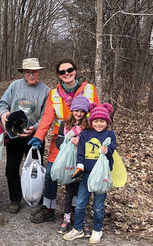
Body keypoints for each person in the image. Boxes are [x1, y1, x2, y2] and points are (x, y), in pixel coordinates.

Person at [28, 58, 99, 232]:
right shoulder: (54, 94)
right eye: (62, 72)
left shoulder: (89, 90)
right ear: (58, 75)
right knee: (51, 173)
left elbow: (97, 114)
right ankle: (49, 207)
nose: (67, 74)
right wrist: (38, 136)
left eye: (70, 70)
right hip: (60, 138)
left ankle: (75, 210)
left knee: (77, 176)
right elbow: (47, 117)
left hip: (83, 140)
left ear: (75, 70)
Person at [0, 57, 50, 213]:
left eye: (34, 72)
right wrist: (3, 114)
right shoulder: (15, 86)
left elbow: (47, 115)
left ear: (38, 72)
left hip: (34, 136)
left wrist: (35, 128)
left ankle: (36, 198)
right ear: (24, 73)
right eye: (28, 72)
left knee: (36, 169)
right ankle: (15, 199)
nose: (31, 75)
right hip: (14, 134)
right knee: (11, 169)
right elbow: (3, 104)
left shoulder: (46, 91)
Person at [63, 102, 116, 244]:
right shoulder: (85, 134)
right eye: (96, 121)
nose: (99, 124)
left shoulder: (109, 134)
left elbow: (112, 147)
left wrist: (108, 150)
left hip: (101, 176)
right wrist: (80, 166)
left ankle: (97, 230)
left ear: (107, 122)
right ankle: (78, 228)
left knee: (98, 205)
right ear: (92, 121)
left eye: (102, 121)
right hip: (86, 174)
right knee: (80, 203)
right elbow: (80, 151)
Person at [53, 96, 90, 234]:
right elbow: (58, 141)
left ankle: (81, 218)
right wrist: (68, 141)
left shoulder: (88, 126)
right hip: (68, 163)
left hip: (83, 163)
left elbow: (91, 144)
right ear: (72, 110)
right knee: (69, 190)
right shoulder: (65, 124)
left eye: (82, 111)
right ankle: (67, 218)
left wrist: (79, 143)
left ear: (85, 112)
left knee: (82, 192)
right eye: (76, 110)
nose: (79, 114)